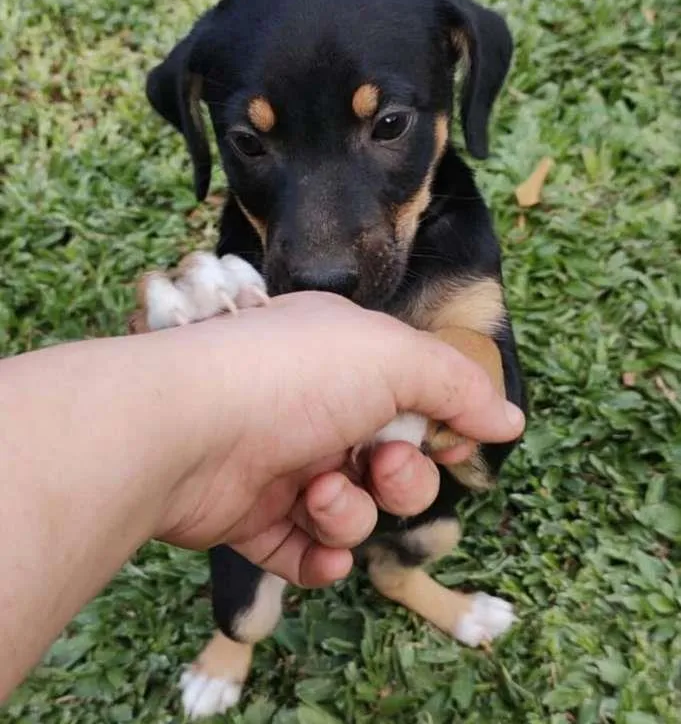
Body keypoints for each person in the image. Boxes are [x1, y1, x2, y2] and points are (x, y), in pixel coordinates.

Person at [0, 291, 524, 701]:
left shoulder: (461, 258)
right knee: (249, 611)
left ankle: (400, 581)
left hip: (392, 495)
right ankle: (233, 643)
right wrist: (193, 378)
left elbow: (480, 462)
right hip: (280, 496)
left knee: (434, 531)